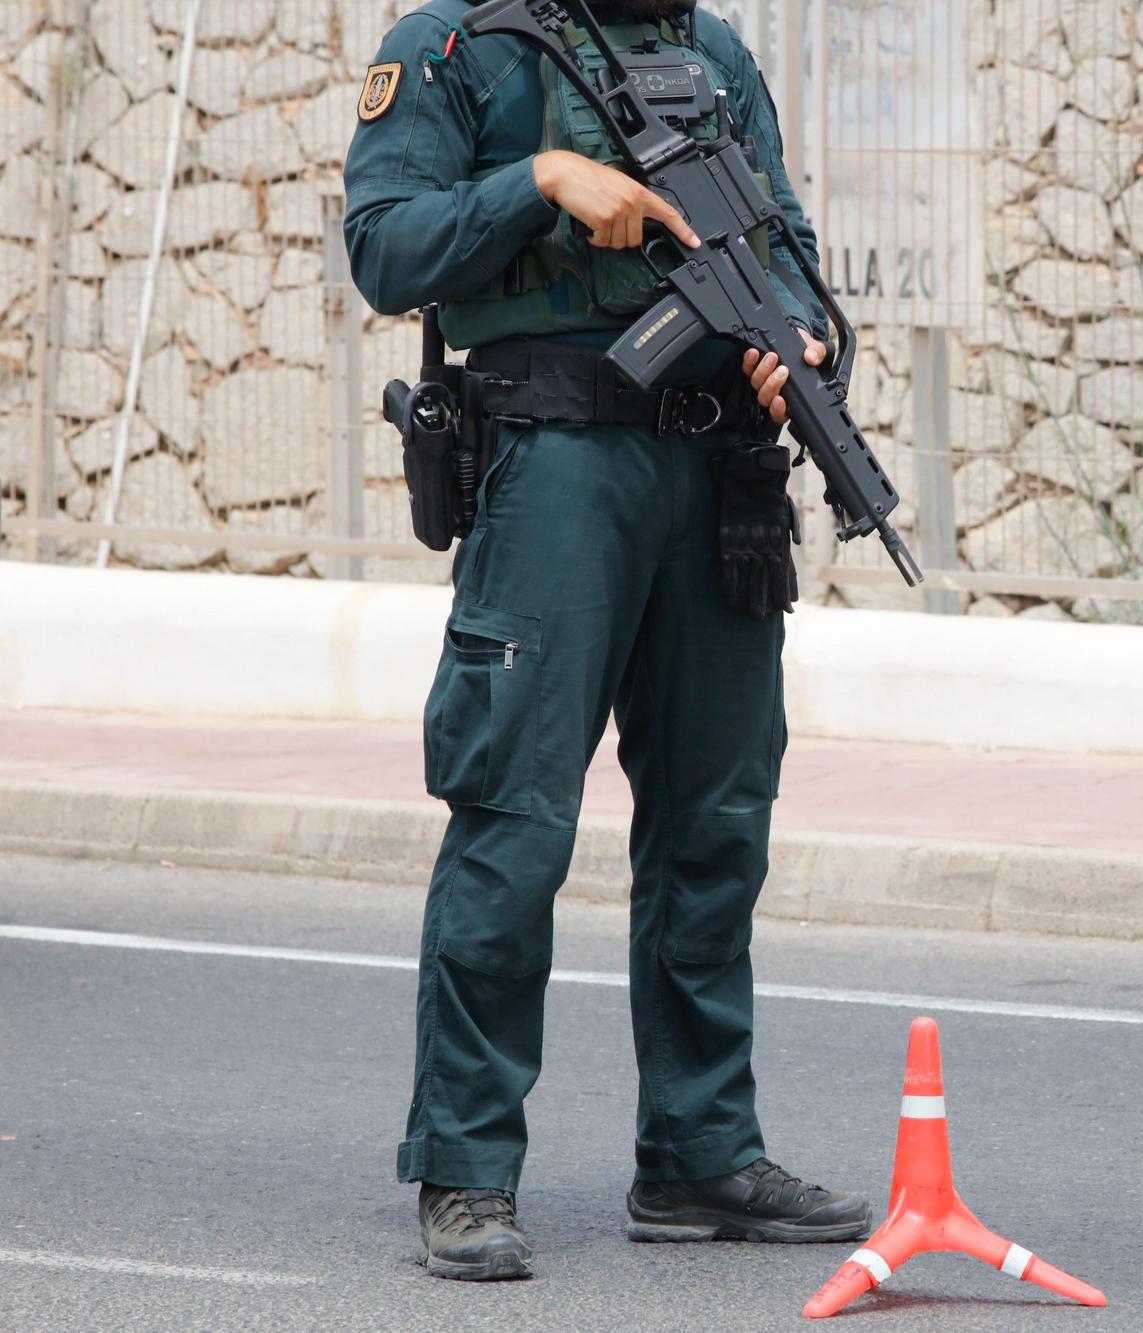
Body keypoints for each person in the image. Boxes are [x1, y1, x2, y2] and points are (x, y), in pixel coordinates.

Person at [344, 0, 869, 1280]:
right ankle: (465, 1166)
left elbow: (784, 241)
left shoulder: (717, 50)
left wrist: (800, 341)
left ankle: (698, 1153)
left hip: (720, 482)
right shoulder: (454, 46)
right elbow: (383, 247)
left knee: (715, 822)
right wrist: (538, 182)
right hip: (558, 465)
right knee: (513, 819)